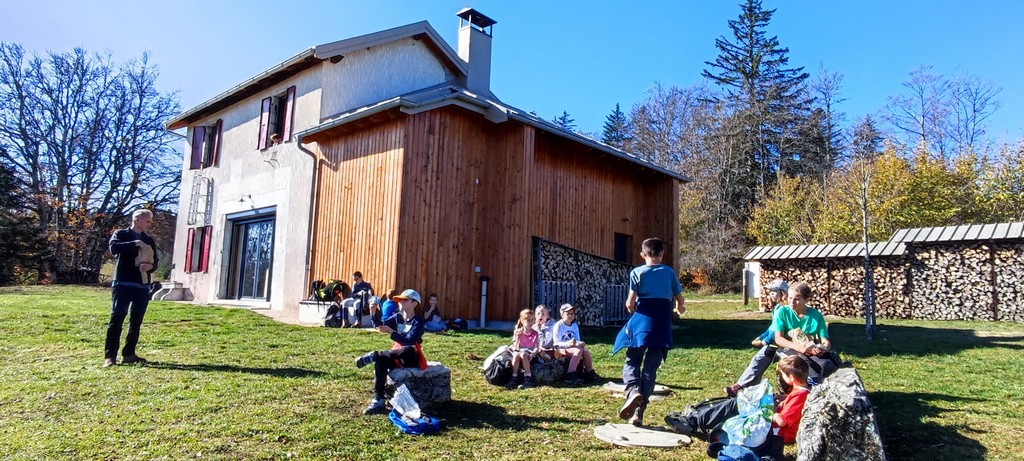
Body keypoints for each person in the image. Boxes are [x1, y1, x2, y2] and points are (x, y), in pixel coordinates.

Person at [612, 237, 686, 426]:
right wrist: (679, 309)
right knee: (650, 369)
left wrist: (632, 309)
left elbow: (630, 302)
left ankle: (632, 391)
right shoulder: (669, 272)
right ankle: (638, 413)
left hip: (642, 324)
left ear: (643, 255)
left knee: (632, 360)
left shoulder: (637, 272)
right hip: (661, 325)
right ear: (662, 254)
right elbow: (680, 301)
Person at [725, 281, 834, 397]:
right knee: (761, 357)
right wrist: (800, 347)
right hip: (784, 347)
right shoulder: (783, 312)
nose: (792, 302)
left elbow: (825, 340)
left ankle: (803, 394)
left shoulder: (815, 316)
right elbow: (778, 339)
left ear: (806, 300)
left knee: (805, 366)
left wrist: (823, 348)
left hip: (807, 353)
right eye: (790, 298)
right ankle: (741, 385)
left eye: (797, 299)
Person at [354, 289, 426, 415]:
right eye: (399, 300)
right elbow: (380, 325)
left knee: (408, 349)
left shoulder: (418, 322)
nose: (400, 303)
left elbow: (409, 341)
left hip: (410, 357)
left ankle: (374, 356)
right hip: (396, 353)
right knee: (381, 362)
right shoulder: (398, 317)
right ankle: (378, 399)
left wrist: (391, 332)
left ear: (414, 303)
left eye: (404, 300)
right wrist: (373, 312)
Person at [103, 209, 158, 367]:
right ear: (137, 220)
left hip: (142, 285)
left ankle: (129, 354)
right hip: (123, 283)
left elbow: (156, 262)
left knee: (136, 321)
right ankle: (110, 357)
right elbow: (114, 248)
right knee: (117, 319)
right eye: (147, 221)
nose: (150, 224)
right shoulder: (121, 234)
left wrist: (150, 267)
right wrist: (135, 243)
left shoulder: (149, 240)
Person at [552, 303, 599, 385]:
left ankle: (589, 371)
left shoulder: (574, 326)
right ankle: (570, 374)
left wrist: (580, 343)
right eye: (568, 314)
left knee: (585, 351)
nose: (570, 315)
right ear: (562, 314)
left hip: (573, 346)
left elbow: (577, 339)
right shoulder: (558, 326)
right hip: (560, 348)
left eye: (572, 313)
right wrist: (568, 343)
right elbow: (556, 343)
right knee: (578, 351)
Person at [505, 308, 539, 389]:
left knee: (523, 354)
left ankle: (528, 377)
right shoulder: (518, 332)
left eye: (532, 319)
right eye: (528, 320)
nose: (531, 322)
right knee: (516, 355)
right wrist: (517, 337)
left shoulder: (535, 333)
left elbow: (536, 347)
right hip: (519, 350)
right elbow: (515, 346)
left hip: (529, 351)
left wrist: (533, 354)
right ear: (522, 321)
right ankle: (514, 377)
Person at [751, 279, 788, 348]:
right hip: (773, 342)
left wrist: (764, 342)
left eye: (774, 291)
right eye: (771, 291)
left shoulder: (783, 310)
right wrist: (761, 337)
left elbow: (778, 329)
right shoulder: (777, 307)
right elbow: (773, 327)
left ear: (782, 292)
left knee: (758, 359)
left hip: (782, 344)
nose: (771, 294)